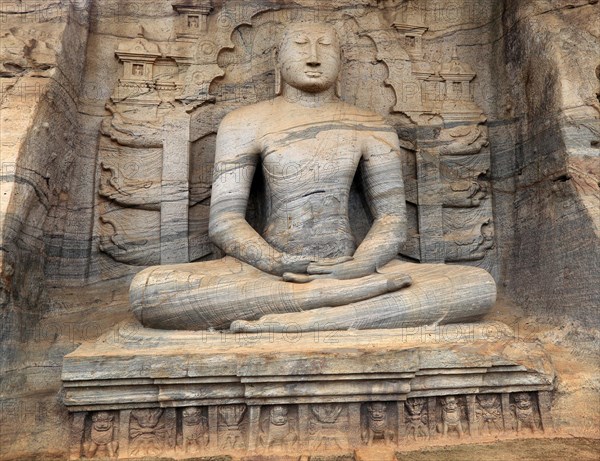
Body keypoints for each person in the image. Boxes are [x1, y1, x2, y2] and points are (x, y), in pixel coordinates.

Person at [129, 23, 496, 332]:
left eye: (326, 47)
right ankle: (331, 306)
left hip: (355, 269)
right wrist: (274, 262)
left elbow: (392, 219)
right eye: (301, 45)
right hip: (269, 275)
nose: (314, 56)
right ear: (278, 60)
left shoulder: (371, 126)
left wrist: (360, 265)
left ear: (342, 63)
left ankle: (297, 318)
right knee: (149, 291)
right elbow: (225, 221)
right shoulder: (244, 122)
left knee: (475, 286)